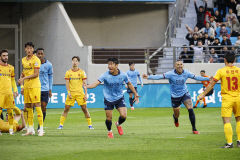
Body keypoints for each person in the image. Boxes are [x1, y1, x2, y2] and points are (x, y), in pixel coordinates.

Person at [142, 60, 210, 134]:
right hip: (175, 97)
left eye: (181, 64)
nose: (180, 66)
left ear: (183, 65)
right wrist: (148, 77)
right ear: (175, 66)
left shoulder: (186, 73)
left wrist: (208, 78)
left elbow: (196, 77)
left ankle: (194, 129)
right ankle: (176, 119)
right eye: (178, 64)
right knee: (177, 114)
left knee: (190, 109)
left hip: (185, 93)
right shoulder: (170, 74)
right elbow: (159, 77)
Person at [87, 57, 139, 138]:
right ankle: (110, 131)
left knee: (124, 116)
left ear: (116, 65)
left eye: (111, 64)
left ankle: (118, 124)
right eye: (108, 64)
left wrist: (135, 93)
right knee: (108, 118)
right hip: (108, 99)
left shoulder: (123, 74)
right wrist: (87, 86)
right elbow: (96, 83)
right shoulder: (105, 75)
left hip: (119, 98)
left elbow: (129, 84)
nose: (109, 66)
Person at [198, 52, 240, 148]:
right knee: (238, 119)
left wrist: (203, 94)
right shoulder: (239, 70)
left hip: (227, 99)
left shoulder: (221, 71)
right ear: (234, 60)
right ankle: (239, 141)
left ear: (224, 60)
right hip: (238, 98)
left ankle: (229, 143)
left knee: (226, 120)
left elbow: (212, 84)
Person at [57, 56, 93, 130]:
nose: (74, 62)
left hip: (80, 93)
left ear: (78, 62)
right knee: (66, 109)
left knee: (84, 109)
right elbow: (67, 83)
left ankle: (90, 125)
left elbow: (85, 84)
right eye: (73, 60)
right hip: (71, 94)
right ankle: (60, 125)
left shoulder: (82, 72)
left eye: (76, 61)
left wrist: (86, 94)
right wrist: (68, 92)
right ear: (71, 62)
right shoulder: (68, 72)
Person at [18, 42, 44, 136]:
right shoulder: (23, 60)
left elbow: (36, 74)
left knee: (37, 105)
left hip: (35, 86)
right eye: (27, 48)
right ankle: (31, 129)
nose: (29, 50)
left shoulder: (36, 59)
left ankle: (41, 129)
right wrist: (22, 84)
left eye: (30, 48)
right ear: (25, 49)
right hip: (27, 86)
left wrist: (24, 78)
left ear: (33, 50)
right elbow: (24, 72)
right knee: (28, 107)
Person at [0, 49, 18, 135]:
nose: (6, 57)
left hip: (9, 93)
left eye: (6, 55)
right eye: (4, 55)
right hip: (0, 93)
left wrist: (15, 90)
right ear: (0, 57)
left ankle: (11, 129)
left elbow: (13, 80)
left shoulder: (11, 68)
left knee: (10, 111)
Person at [36, 48, 53, 131]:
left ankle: (40, 126)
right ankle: (29, 126)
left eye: (41, 53)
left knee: (43, 107)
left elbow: (51, 77)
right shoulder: (33, 64)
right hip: (35, 88)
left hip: (45, 89)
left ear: (43, 54)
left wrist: (50, 89)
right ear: (36, 54)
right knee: (32, 107)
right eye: (38, 54)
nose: (40, 55)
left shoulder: (49, 65)